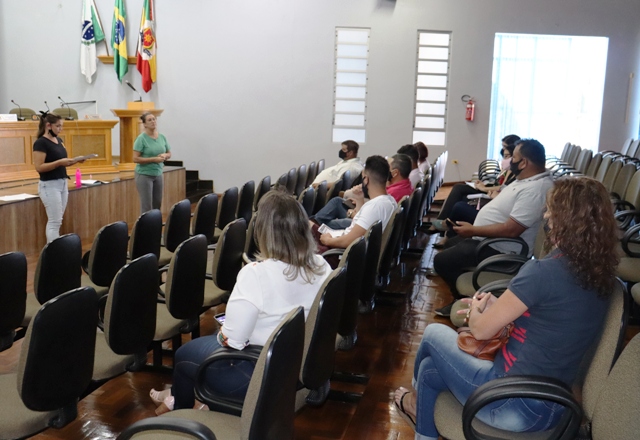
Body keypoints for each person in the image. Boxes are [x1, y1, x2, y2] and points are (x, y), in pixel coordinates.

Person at [393, 177, 619, 439]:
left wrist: (477, 312)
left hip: (509, 401)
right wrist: (498, 306)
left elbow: (480, 331)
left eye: (550, 211)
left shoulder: (543, 271)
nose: (546, 216)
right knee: (430, 370)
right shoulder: (600, 275)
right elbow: (552, 315)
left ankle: (413, 402)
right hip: (554, 405)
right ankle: (421, 423)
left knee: (433, 333)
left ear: (565, 219)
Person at [150, 190, 331, 414]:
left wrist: (223, 331)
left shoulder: (256, 274)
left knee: (183, 355)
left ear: (262, 232)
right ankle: (181, 399)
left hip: (258, 373)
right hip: (299, 365)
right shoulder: (321, 265)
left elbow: (233, 342)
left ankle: (180, 411)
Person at [433, 139, 553, 317]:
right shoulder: (527, 179)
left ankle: (465, 303)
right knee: (451, 244)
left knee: (442, 261)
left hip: (502, 249)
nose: (510, 161)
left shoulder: (536, 190)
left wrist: (474, 230)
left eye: (514, 158)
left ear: (524, 163)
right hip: (491, 242)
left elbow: (512, 230)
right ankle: (468, 299)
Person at [429, 135, 520, 232]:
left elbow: (501, 188)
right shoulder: (509, 168)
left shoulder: (514, 173)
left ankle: (444, 223)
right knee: (460, 192)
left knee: (459, 192)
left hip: (492, 197)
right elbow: (499, 184)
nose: (503, 149)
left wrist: (484, 188)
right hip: (491, 191)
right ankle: (445, 226)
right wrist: (484, 184)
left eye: (505, 147)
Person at [314, 155, 397, 252]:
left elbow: (348, 241)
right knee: (310, 225)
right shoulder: (390, 201)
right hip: (343, 242)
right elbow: (360, 222)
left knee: (307, 227)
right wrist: (359, 198)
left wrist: (328, 241)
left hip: (339, 251)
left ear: (366, 179)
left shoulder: (375, 206)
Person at [309, 154, 411, 230]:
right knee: (334, 205)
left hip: (350, 234)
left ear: (366, 179)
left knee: (321, 224)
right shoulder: (391, 197)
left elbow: (349, 239)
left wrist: (328, 240)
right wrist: (359, 200)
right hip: (358, 221)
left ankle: (309, 226)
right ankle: (310, 223)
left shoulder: (379, 203)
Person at [33, 113, 84, 243]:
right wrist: (59, 162)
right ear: (48, 126)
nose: (60, 129)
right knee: (54, 222)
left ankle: (55, 249)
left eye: (61, 126)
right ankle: (53, 251)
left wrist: (75, 160)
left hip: (62, 182)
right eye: (58, 126)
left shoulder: (59, 140)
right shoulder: (40, 143)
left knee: (58, 220)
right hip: (49, 185)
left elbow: (63, 162)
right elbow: (39, 167)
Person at [133, 112, 171, 214]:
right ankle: (145, 224)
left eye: (154, 119)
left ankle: (156, 224)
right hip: (144, 175)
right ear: (144, 124)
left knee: (157, 204)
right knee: (147, 206)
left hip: (158, 173)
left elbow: (169, 153)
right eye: (149, 120)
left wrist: (165, 155)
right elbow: (135, 159)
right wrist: (154, 159)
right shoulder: (141, 139)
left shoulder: (162, 137)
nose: (153, 121)